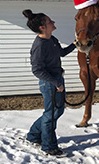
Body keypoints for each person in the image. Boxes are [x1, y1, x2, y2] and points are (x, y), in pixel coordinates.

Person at [23, 9, 76, 156]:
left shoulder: (51, 40)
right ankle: (49, 147)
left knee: (55, 112)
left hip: (57, 79)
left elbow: (61, 53)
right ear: (42, 27)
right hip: (49, 83)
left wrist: (75, 44)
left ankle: (33, 135)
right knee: (51, 114)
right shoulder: (39, 45)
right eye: (49, 21)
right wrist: (55, 83)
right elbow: (37, 70)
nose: (53, 22)